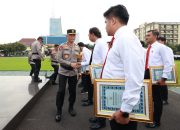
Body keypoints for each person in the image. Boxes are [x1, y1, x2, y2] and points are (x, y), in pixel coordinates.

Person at [101, 5, 145, 130]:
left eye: (106, 22)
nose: (105, 26)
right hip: (116, 102)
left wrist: (125, 111)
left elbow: (134, 76)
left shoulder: (126, 39)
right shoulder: (120, 39)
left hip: (121, 107)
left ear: (113, 21)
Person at [144, 30, 173, 128]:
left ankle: (156, 121)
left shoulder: (161, 47)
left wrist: (163, 78)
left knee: (157, 99)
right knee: (148, 98)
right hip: (147, 74)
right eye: (146, 35)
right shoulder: (148, 48)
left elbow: (168, 63)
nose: (146, 37)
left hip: (157, 77)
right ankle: (150, 117)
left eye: (148, 35)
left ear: (155, 36)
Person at [55, 29, 81, 122]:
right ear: (67, 36)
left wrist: (79, 71)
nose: (72, 37)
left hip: (73, 73)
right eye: (70, 35)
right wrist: (70, 64)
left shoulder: (78, 47)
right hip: (63, 71)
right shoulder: (62, 46)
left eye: (74, 35)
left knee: (72, 91)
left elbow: (79, 61)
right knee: (61, 91)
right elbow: (59, 59)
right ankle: (59, 111)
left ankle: (71, 107)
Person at [88, 27, 108, 129]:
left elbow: (105, 60)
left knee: (100, 98)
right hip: (96, 74)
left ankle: (101, 122)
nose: (88, 37)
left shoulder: (101, 43)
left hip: (100, 75)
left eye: (89, 34)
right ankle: (98, 116)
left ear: (92, 34)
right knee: (97, 98)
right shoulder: (98, 43)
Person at [158, 36, 174, 105]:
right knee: (157, 85)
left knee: (163, 84)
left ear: (163, 41)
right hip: (157, 69)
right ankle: (159, 98)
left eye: (159, 41)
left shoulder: (168, 49)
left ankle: (164, 99)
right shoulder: (158, 48)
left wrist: (171, 68)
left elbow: (170, 59)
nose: (158, 42)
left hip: (165, 68)